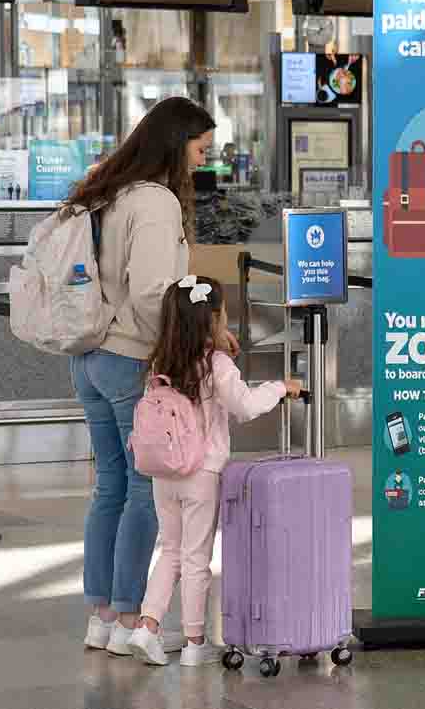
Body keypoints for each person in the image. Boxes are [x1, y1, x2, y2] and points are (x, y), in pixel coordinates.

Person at [67, 96, 220, 657]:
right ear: (175, 142)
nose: (204, 160)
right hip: (131, 358)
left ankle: (101, 618)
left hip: (90, 358)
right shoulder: (154, 202)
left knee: (109, 486)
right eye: (200, 148)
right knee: (139, 493)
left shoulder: (108, 190)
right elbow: (155, 293)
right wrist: (198, 340)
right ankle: (133, 617)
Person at [125, 276, 299, 666]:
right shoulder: (215, 364)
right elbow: (247, 406)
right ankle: (193, 643)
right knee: (195, 558)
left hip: (163, 472)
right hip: (202, 474)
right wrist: (280, 387)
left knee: (170, 550)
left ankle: (147, 626)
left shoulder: (161, 361)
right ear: (211, 320)